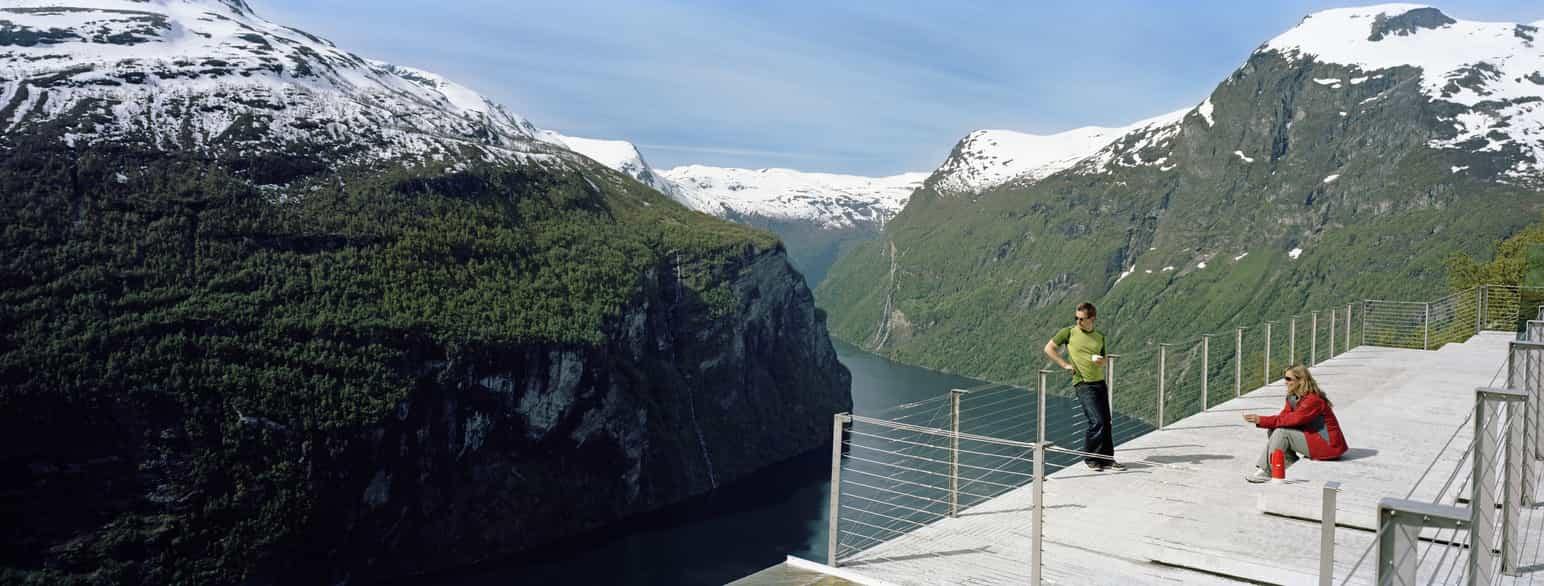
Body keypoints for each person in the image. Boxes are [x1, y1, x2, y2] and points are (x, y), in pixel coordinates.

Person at [1044, 302, 1123, 471]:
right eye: (1076, 318)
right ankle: (1091, 459)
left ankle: (1108, 459)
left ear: (1092, 319)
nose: (1078, 321)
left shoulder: (1100, 337)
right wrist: (1064, 365)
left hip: (1099, 382)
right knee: (1097, 421)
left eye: (1081, 319)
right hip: (1083, 383)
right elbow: (1049, 348)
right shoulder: (1068, 332)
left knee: (1106, 422)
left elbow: (1104, 360)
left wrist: (1102, 361)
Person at [1242, 364, 1348, 483]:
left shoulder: (1313, 400)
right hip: (1313, 438)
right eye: (1284, 378)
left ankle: (1268, 471)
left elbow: (1294, 420)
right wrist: (1264, 421)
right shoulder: (1293, 397)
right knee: (1273, 429)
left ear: (1301, 380)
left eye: (1288, 379)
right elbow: (1284, 417)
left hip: (1328, 447)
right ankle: (1289, 460)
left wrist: (1261, 420)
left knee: (1282, 432)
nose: (1285, 382)